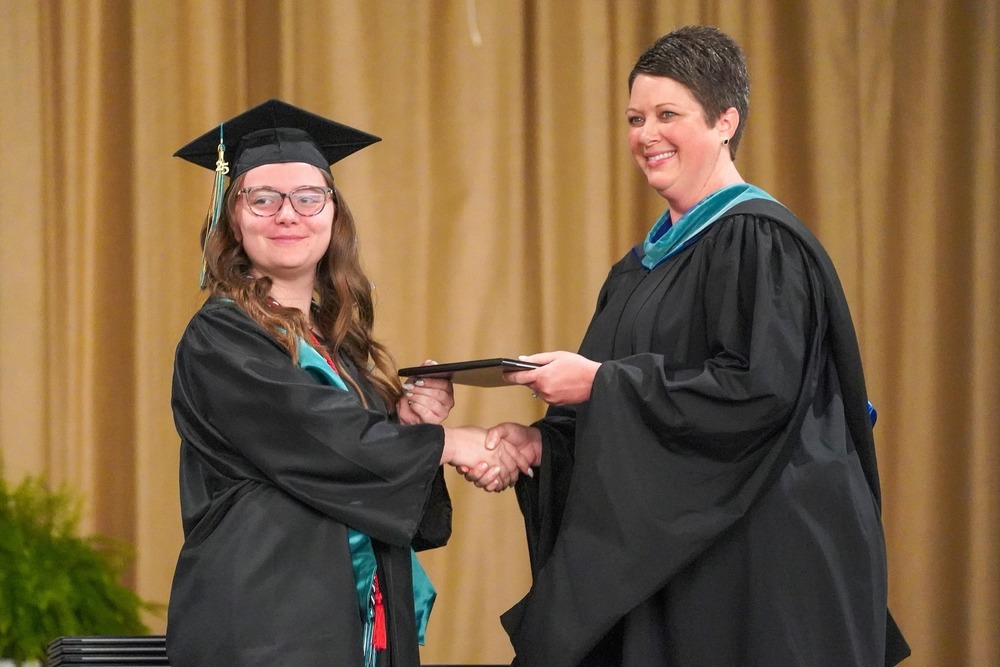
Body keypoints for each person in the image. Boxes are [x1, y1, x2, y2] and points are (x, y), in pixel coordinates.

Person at [465, 26, 910, 666]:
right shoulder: (638, 269)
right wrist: (541, 442)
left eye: (668, 114)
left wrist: (599, 384)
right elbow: (616, 413)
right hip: (676, 561)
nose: (646, 135)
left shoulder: (760, 241)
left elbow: (760, 393)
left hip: (760, 562)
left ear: (725, 120)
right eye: (634, 118)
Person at [166, 99, 527, 666]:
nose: (288, 214)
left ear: (334, 213)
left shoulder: (342, 348)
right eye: (263, 198)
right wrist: (453, 444)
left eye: (309, 197)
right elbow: (315, 436)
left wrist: (408, 426)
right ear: (232, 217)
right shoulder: (221, 336)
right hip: (266, 625)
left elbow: (352, 461)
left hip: (350, 619)